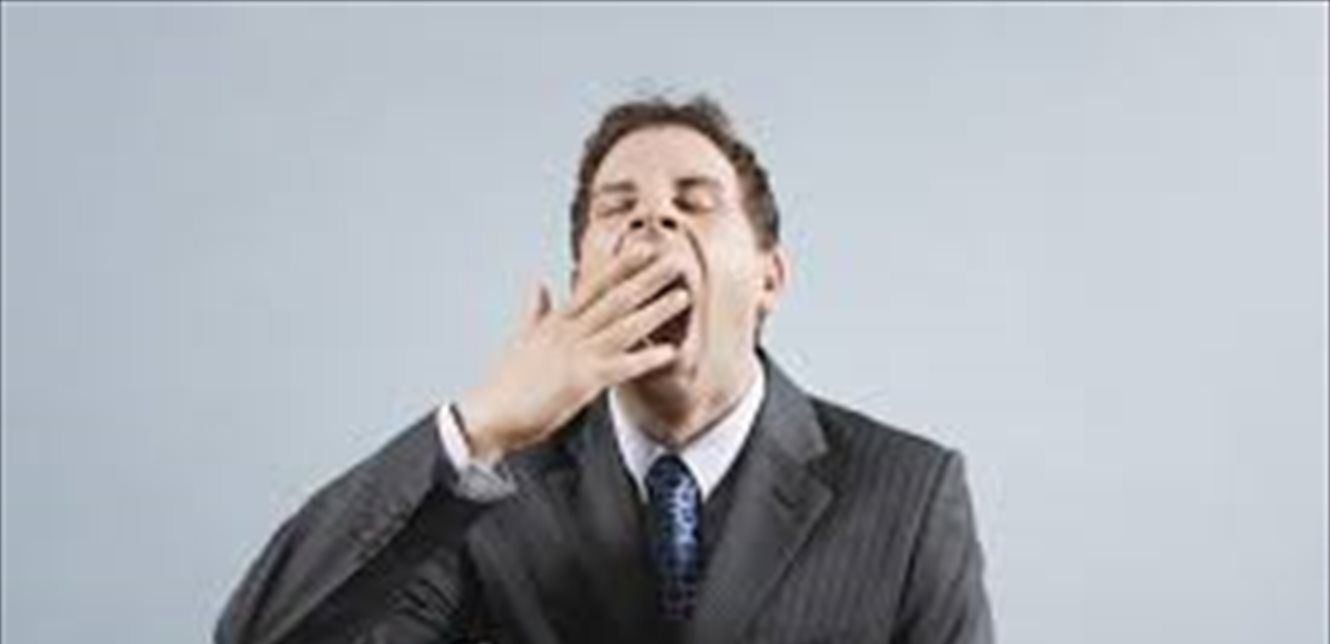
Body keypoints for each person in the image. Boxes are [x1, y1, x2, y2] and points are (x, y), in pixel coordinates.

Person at [215, 95, 995, 644]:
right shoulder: (487, 489)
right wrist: (479, 425)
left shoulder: (911, 492)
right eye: (617, 207)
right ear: (581, 278)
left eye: (695, 201)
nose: (654, 217)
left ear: (769, 276)